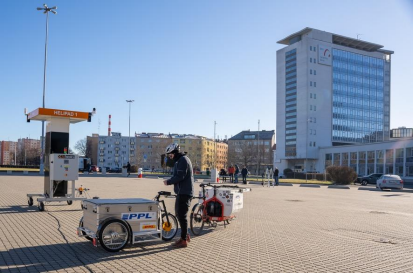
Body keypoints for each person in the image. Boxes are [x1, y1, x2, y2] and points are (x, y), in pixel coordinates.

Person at [163, 143, 194, 248]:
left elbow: (180, 176)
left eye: (170, 154)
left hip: (185, 192)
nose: (169, 157)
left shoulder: (183, 160)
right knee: (178, 214)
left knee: (182, 215)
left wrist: (169, 182)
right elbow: (177, 175)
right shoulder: (178, 161)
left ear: (175, 152)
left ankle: (183, 240)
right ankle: (185, 235)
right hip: (181, 192)